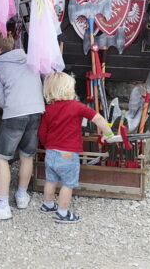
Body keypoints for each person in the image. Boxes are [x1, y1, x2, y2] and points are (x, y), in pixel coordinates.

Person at [0, 29, 45, 220]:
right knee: (27, 155)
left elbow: (2, 101)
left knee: (1, 157)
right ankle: (22, 196)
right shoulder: (28, 59)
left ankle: (2, 206)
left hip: (15, 113)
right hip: (37, 110)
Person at [37, 72, 113, 223]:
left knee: (50, 180)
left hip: (51, 153)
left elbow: (41, 132)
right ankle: (63, 213)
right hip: (68, 155)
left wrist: (48, 145)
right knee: (67, 184)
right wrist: (108, 132)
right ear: (68, 89)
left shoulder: (48, 109)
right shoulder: (77, 107)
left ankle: (47, 205)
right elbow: (97, 118)